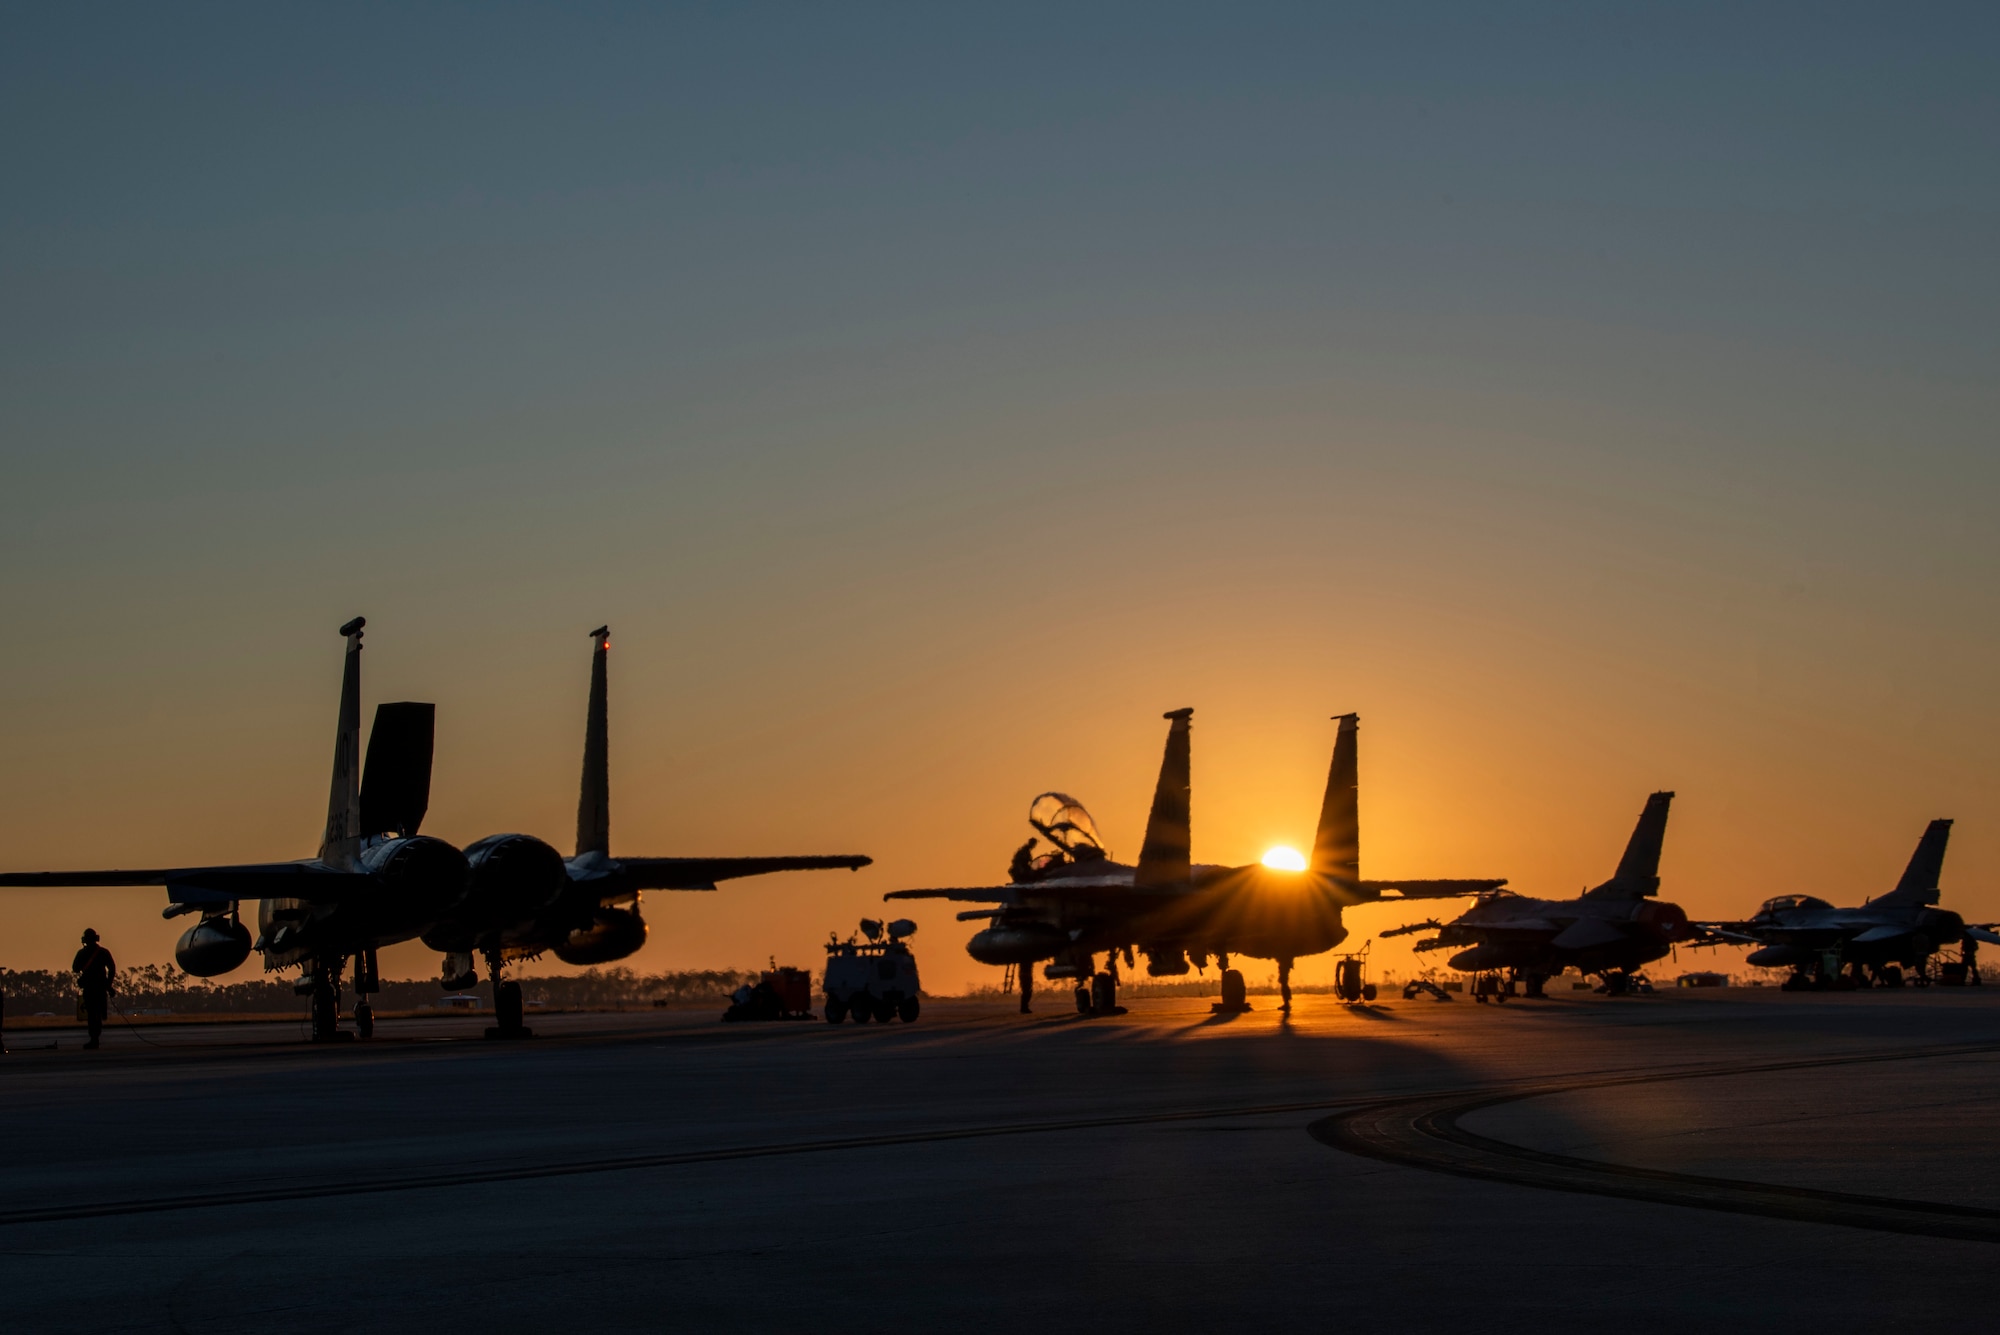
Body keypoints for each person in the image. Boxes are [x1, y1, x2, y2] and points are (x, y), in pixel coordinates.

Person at [72, 928, 115, 1049]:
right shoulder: (103, 952)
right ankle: (95, 1037)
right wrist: (108, 985)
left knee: (92, 1014)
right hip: (101, 987)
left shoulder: (82, 953)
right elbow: (112, 969)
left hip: (89, 988)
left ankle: (94, 1038)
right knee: (97, 1013)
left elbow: (75, 968)